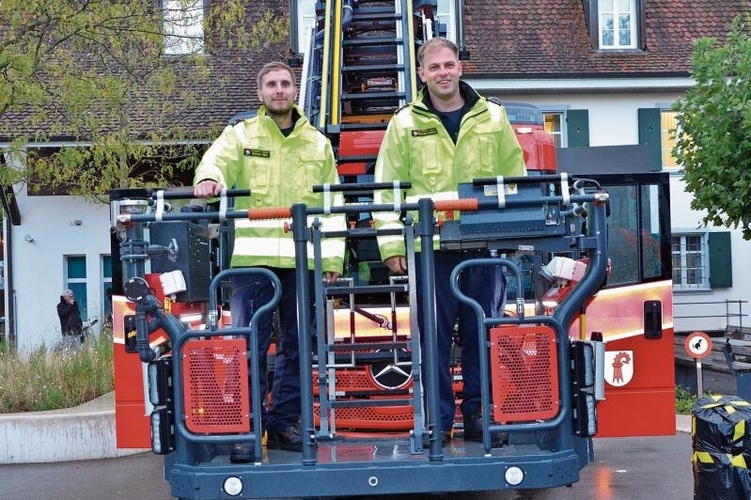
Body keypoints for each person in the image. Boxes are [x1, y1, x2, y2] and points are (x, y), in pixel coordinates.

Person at [373, 37, 527, 445]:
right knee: (434, 341)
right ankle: (438, 421)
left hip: (483, 245)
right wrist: (391, 245)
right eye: (434, 67)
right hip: (431, 249)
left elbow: (515, 180)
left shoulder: (494, 117)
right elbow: (386, 188)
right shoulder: (403, 123)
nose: (443, 72)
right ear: (422, 74)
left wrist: (511, 232)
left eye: (449, 64)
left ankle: (479, 416)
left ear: (460, 68)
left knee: (482, 333)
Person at [193, 61, 345, 461]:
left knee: (298, 345)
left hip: (303, 260)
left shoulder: (318, 144)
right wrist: (208, 181)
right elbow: (215, 162)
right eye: (271, 85)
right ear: (260, 94)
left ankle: (284, 424)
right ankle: (247, 426)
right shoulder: (240, 135)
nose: (279, 90)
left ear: (295, 91)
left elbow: (333, 204)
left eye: (285, 84)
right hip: (254, 262)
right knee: (249, 345)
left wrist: (332, 255)